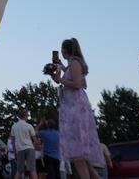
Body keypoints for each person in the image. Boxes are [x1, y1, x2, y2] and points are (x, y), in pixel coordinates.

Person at [49, 38, 103, 179]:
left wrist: (60, 80)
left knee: (78, 153)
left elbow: (77, 84)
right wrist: (59, 68)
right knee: (83, 159)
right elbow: (71, 76)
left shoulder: (74, 62)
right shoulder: (71, 64)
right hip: (73, 106)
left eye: (62, 50)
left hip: (76, 108)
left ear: (65, 50)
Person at [10, 110, 37, 179]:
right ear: (26, 116)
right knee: (32, 170)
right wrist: (34, 147)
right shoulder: (29, 126)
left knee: (19, 171)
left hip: (20, 149)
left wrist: (14, 151)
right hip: (29, 148)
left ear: (18, 116)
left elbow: (12, 141)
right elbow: (35, 139)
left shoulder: (14, 126)